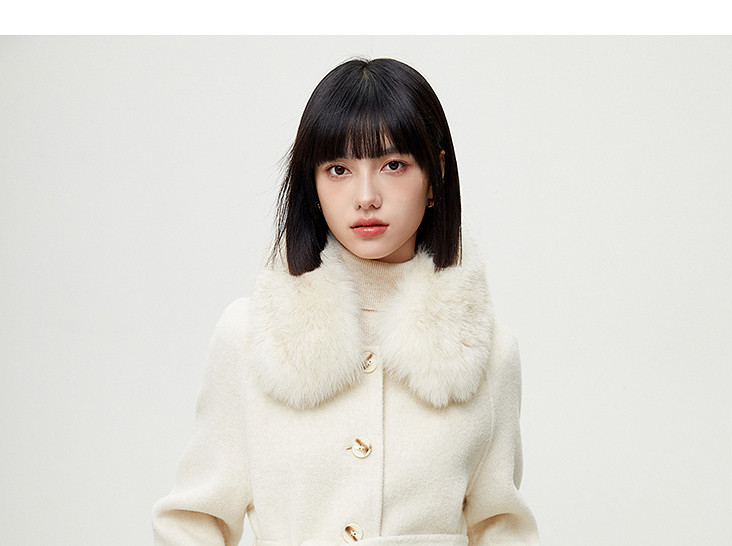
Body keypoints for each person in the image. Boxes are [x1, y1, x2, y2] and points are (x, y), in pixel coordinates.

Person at [152, 57, 540, 546]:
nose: (366, 196)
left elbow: (502, 530)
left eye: (393, 165)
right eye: (338, 169)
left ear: (436, 174)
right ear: (312, 186)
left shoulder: (489, 351)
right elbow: (193, 521)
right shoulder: (250, 334)